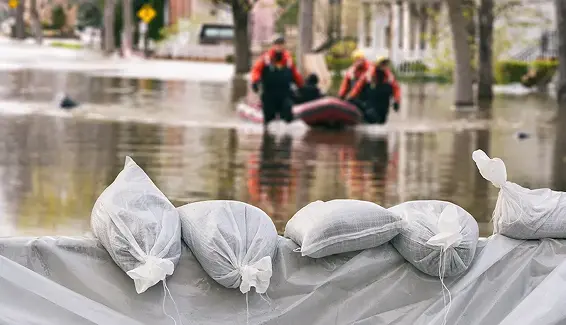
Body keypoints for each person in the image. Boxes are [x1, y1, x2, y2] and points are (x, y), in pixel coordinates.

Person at [250, 36, 304, 125]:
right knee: (269, 120)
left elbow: (295, 74)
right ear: (273, 45)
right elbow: (256, 70)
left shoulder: (288, 60)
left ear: (284, 46)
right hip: (269, 94)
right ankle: (268, 136)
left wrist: (301, 86)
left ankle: (287, 136)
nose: (279, 46)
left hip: (285, 94)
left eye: (281, 44)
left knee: (287, 115)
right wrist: (255, 81)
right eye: (277, 44)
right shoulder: (265, 59)